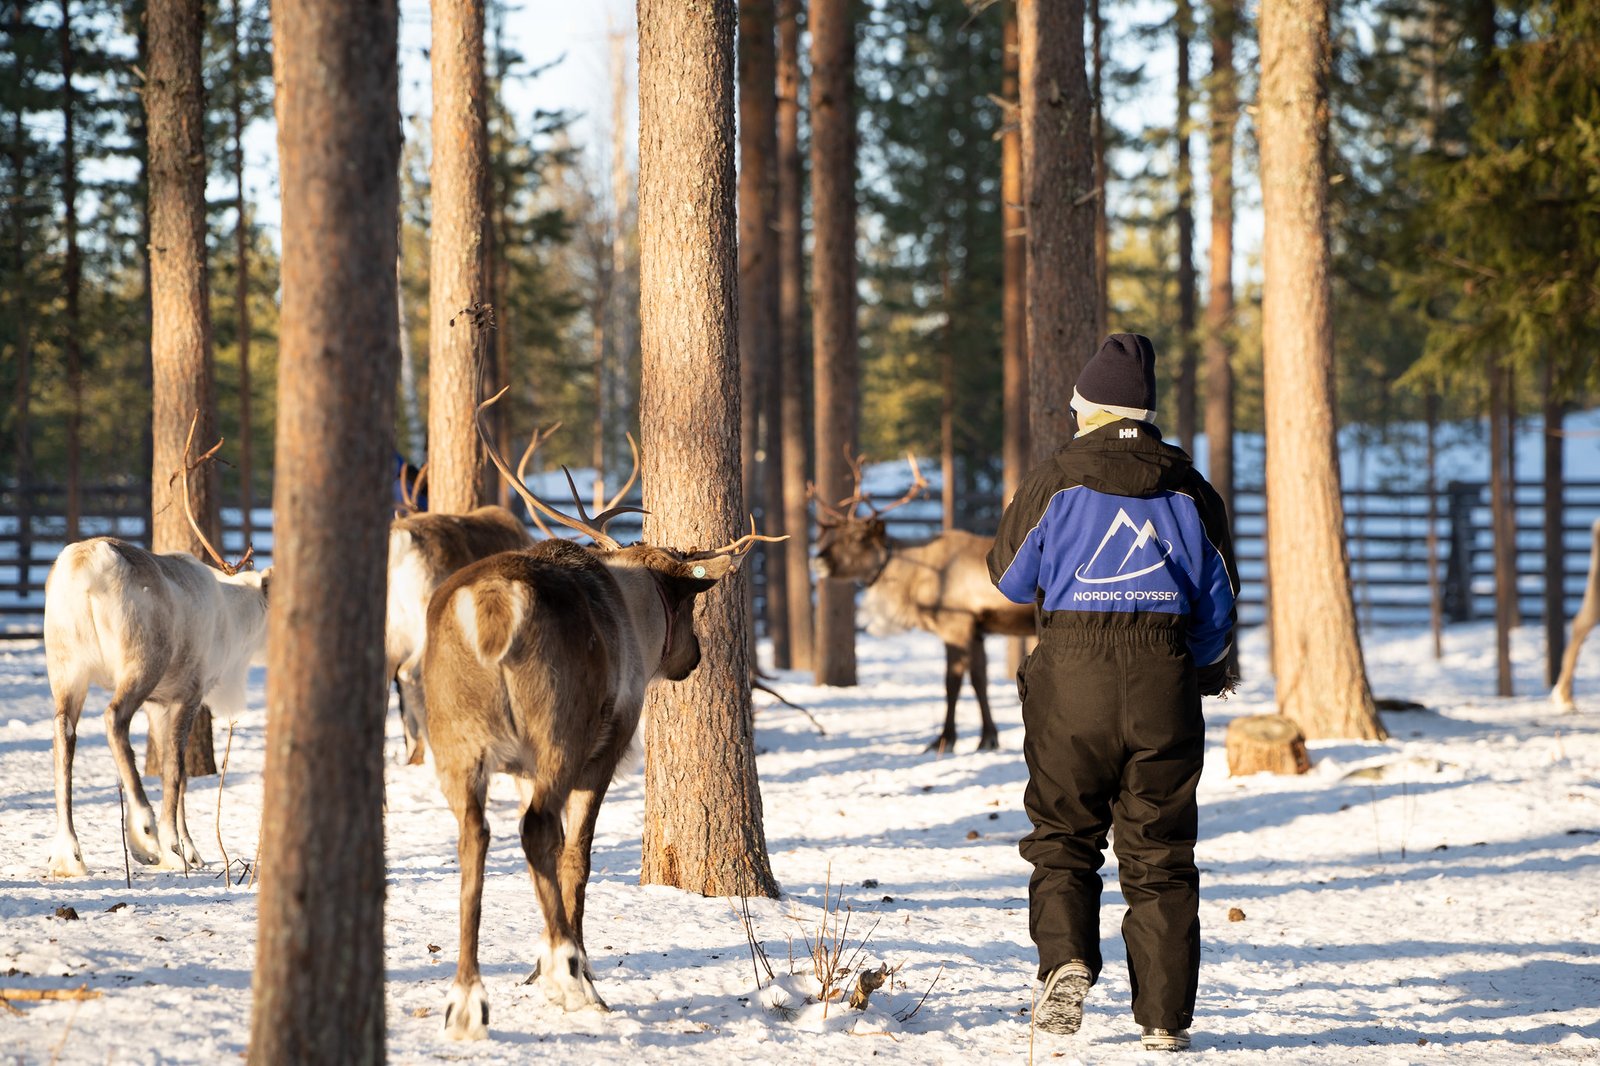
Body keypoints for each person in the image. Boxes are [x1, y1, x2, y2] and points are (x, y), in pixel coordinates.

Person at [987, 333, 1238, 1053]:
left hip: (1071, 677)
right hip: (1163, 680)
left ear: (1094, 410)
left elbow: (1005, 579)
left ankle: (1065, 961)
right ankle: (1164, 1019)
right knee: (1160, 853)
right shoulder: (1190, 489)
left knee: (1064, 837)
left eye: (1076, 408)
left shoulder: (1055, 479)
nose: (1071, 418)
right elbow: (1219, 609)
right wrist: (1190, 666)